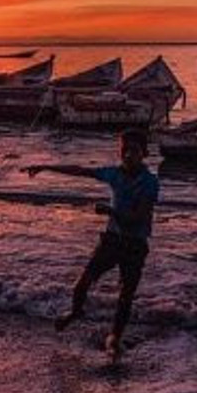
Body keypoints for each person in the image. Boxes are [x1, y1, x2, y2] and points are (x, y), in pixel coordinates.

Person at [23, 128, 159, 357]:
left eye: (133, 151)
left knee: (125, 295)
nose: (127, 155)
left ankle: (115, 336)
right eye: (124, 150)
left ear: (144, 153)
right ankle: (76, 312)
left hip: (135, 244)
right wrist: (45, 166)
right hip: (111, 241)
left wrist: (110, 211)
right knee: (82, 283)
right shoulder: (114, 174)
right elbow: (80, 171)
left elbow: (138, 219)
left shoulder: (149, 182)